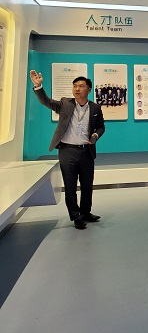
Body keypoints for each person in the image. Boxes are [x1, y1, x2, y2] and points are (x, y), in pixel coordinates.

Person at [29, 70, 105, 230]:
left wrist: (95, 135)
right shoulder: (65, 104)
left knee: (87, 186)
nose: (77, 89)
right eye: (75, 86)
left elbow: (101, 126)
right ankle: (76, 216)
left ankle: (86, 213)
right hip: (67, 151)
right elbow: (46, 101)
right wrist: (38, 86)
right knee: (70, 187)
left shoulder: (95, 108)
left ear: (89, 89)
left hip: (86, 151)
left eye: (81, 86)